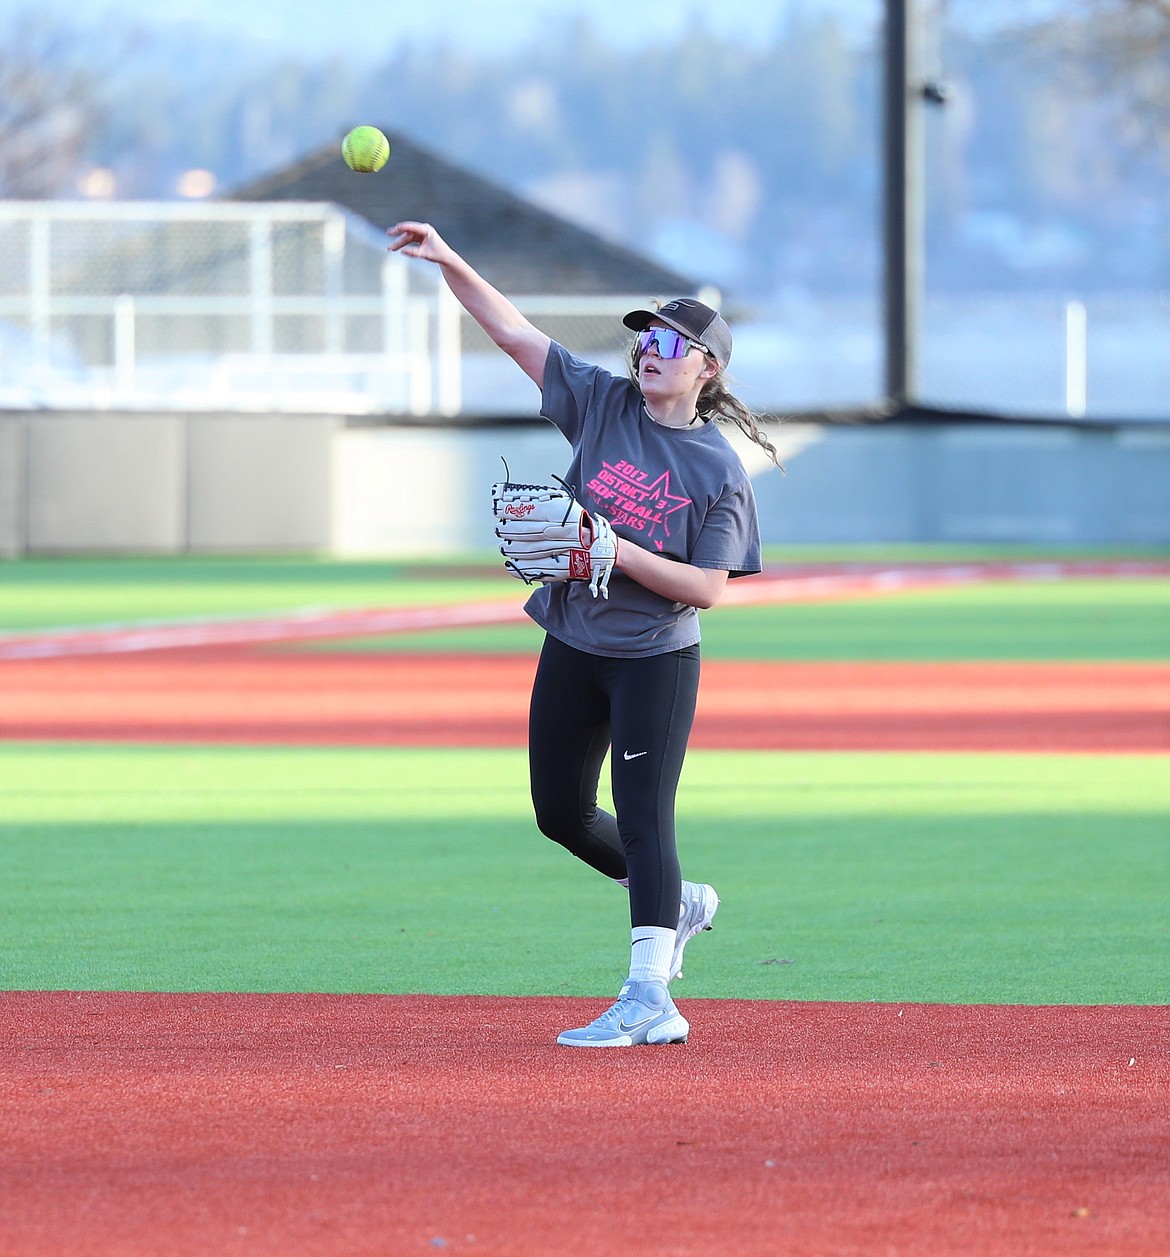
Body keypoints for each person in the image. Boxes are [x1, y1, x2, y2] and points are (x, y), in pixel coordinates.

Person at [389, 220, 775, 1048]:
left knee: (644, 818)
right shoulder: (601, 403)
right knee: (560, 813)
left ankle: (649, 997)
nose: (651, 350)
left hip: (654, 661)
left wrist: (618, 548)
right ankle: (678, 904)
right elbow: (511, 332)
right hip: (573, 641)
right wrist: (453, 258)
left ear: (707, 368)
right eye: (646, 338)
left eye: (673, 341)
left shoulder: (717, 470)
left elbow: (708, 588)